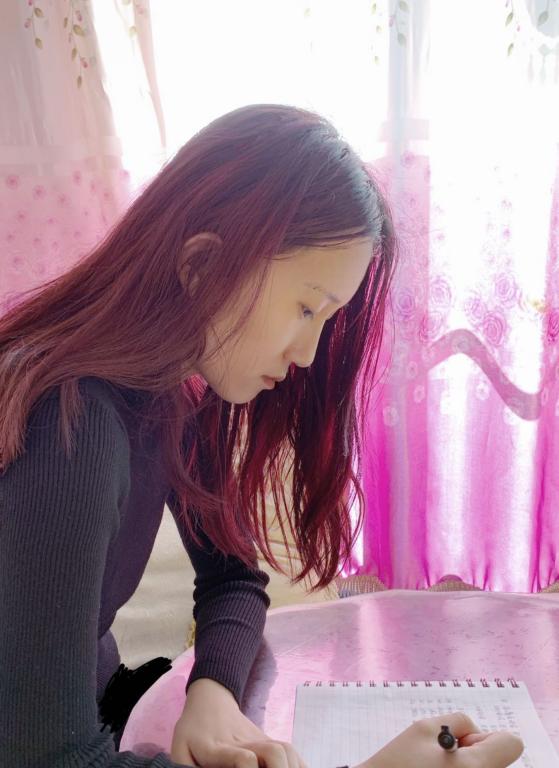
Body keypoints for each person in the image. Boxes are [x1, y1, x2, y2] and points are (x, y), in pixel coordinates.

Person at [0, 104, 523, 768]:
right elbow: (50, 759)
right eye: (305, 308)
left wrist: (213, 691)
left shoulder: (169, 392)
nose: (307, 353)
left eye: (326, 320)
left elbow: (234, 575)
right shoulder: (70, 424)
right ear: (200, 266)